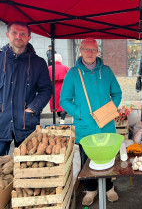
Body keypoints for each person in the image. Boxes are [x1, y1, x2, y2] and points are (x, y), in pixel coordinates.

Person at [60, 38, 122, 206]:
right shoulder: (73, 73)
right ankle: (90, 189)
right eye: (86, 49)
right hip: (85, 126)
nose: (89, 53)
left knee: (108, 157)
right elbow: (64, 100)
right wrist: (79, 113)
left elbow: (117, 93)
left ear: (98, 51)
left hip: (106, 125)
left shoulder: (106, 71)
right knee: (88, 160)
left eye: (93, 50)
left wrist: (110, 110)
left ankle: (109, 187)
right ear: (80, 50)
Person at [0, 21, 52, 156]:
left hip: (26, 123)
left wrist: (33, 108)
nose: (18, 36)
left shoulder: (38, 63)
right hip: (1, 121)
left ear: (29, 37)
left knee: (27, 165)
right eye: (14, 32)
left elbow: (46, 89)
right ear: (7, 34)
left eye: (23, 34)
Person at [48, 54, 69, 124]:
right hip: (64, 89)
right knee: (63, 104)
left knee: (56, 105)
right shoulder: (65, 68)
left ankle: (60, 118)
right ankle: (62, 118)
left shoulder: (49, 68)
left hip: (53, 89)